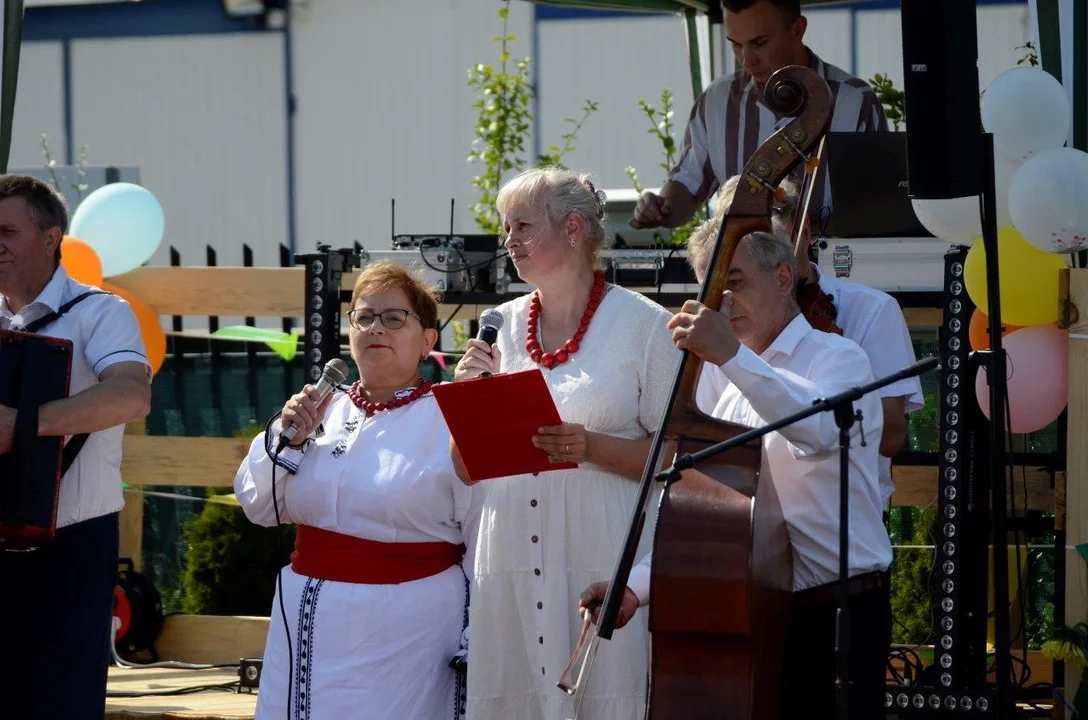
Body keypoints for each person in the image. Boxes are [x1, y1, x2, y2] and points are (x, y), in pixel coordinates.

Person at [579, 229, 893, 719]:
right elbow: (705, 514)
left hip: (836, 614)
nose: (723, 302)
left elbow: (816, 430)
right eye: (712, 289)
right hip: (751, 611)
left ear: (784, 277)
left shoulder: (839, 359)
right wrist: (634, 588)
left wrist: (730, 355)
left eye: (738, 283)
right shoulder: (723, 386)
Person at [452, 166, 679, 720]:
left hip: (596, 553)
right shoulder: (497, 326)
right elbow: (464, 468)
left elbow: (677, 456)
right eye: (506, 229)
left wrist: (590, 447)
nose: (509, 242)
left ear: (573, 228)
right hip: (507, 554)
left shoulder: (644, 325)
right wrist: (467, 401)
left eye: (522, 226)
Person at [234, 261, 484, 720]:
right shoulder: (320, 408)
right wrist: (285, 437)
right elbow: (259, 506)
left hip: (409, 630)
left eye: (394, 318)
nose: (376, 329)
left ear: (428, 341)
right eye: (364, 317)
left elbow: (482, 531)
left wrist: (479, 630)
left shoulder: (450, 416)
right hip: (307, 620)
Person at [0, 174, 152, 719]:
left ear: (50, 238)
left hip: (72, 547)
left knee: (62, 705)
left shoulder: (101, 313)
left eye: (8, 231)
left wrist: (22, 425)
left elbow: (133, 396)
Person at [688, 174, 923, 511]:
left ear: (805, 234)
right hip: (748, 525)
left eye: (769, 231)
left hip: (840, 518)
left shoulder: (865, 316)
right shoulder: (726, 334)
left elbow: (887, 436)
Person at [631, 0, 887, 231]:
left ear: (797, 30)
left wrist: (798, 237)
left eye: (759, 43)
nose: (747, 60)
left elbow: (874, 205)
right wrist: (660, 208)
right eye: (736, 45)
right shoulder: (715, 101)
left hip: (829, 274)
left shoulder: (855, 101)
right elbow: (687, 185)